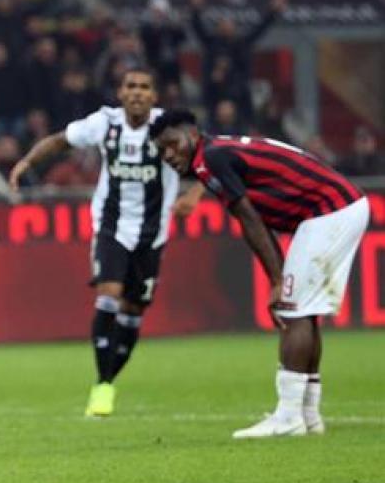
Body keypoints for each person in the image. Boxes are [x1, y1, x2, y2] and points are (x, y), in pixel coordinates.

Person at [151, 109, 368, 438]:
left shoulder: (210, 159)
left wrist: (278, 280)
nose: (167, 155)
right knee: (303, 311)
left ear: (192, 134)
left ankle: (288, 416)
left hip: (331, 211)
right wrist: (278, 277)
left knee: (293, 311)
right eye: (161, 150)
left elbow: (249, 219)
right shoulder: (214, 154)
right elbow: (257, 220)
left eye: (171, 144)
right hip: (337, 208)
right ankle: (308, 415)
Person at [8, 67, 202, 417]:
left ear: (154, 96)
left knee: (133, 312)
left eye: (144, 87)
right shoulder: (105, 123)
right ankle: (103, 384)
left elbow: (208, 158)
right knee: (109, 295)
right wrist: (26, 162)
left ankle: (108, 379)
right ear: (121, 93)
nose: (137, 92)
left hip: (152, 233)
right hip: (111, 226)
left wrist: (195, 194)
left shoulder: (170, 128)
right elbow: (60, 140)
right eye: (131, 86)